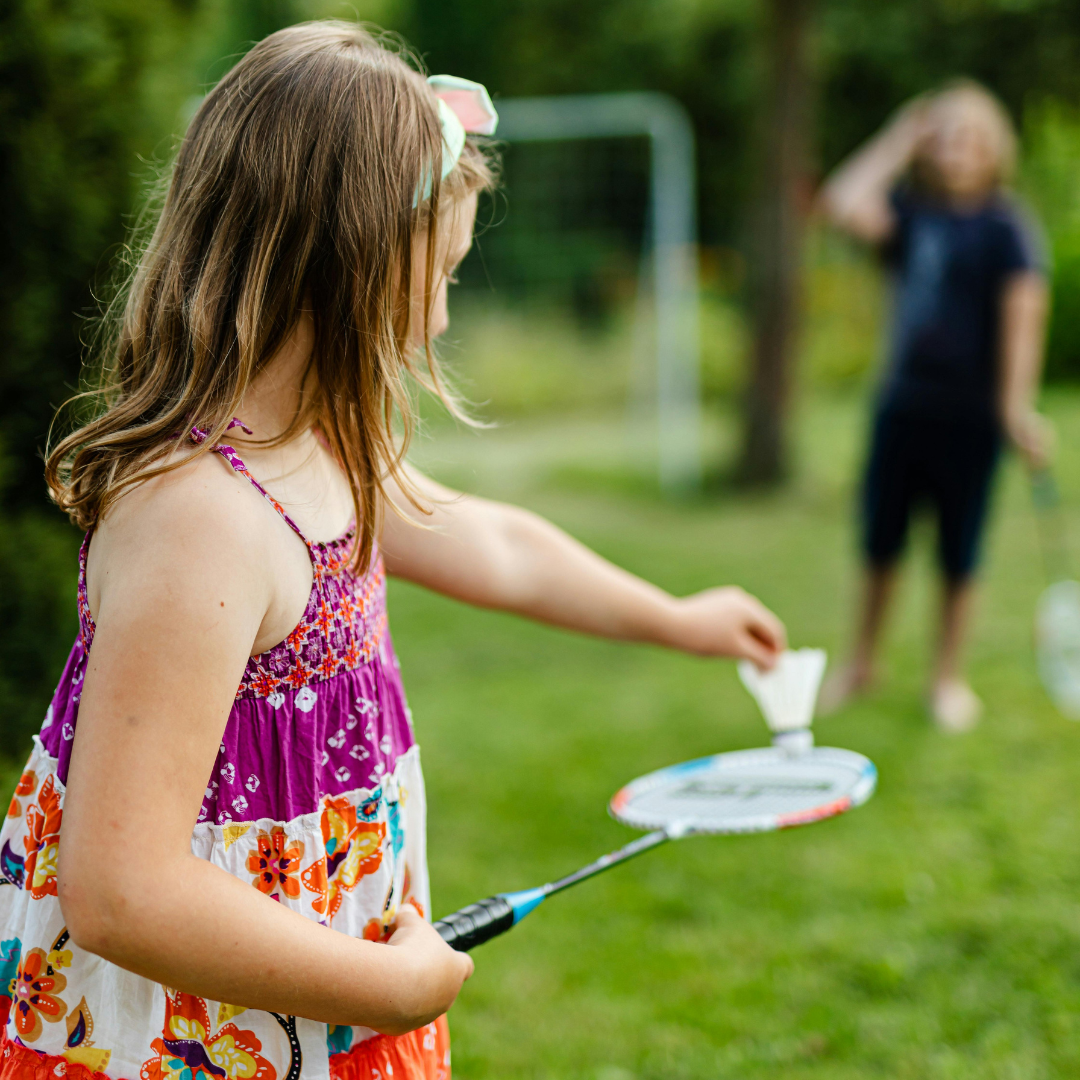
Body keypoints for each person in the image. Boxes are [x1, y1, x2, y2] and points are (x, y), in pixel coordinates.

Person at [0, 22, 786, 1080]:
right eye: (445, 271)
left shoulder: (322, 448)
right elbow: (120, 890)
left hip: (314, 993)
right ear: (352, 263)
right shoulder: (204, 522)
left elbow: (497, 545)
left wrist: (674, 616)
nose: (447, 307)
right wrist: (392, 989)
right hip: (186, 1038)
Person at [818, 80, 1051, 732]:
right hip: (902, 405)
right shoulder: (909, 213)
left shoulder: (1009, 228)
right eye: (945, 135)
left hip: (970, 418)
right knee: (880, 542)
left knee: (959, 551)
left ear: (994, 148)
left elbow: (1023, 323)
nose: (957, 149)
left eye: (970, 136)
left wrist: (1016, 411)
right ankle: (861, 663)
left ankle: (947, 680)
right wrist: (897, 137)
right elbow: (840, 202)